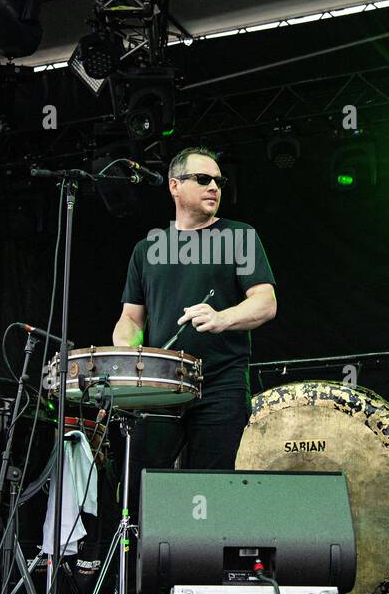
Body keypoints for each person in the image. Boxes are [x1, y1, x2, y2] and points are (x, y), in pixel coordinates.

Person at [113, 146, 277, 476]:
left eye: (218, 180)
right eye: (203, 179)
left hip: (219, 382)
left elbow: (265, 302)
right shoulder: (147, 249)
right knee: (147, 481)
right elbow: (131, 318)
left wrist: (222, 317)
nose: (214, 187)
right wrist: (129, 357)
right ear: (174, 185)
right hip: (161, 386)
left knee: (212, 484)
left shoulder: (239, 235)